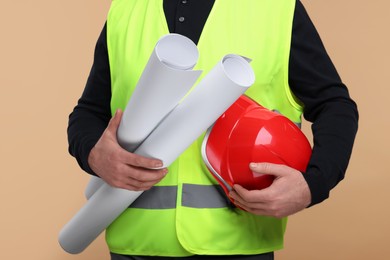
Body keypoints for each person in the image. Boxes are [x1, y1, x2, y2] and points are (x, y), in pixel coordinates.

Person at [67, 0, 358, 259]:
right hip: (135, 244)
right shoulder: (126, 9)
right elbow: (89, 112)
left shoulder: (277, 7)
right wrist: (94, 154)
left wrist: (313, 184)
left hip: (238, 245)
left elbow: (335, 105)